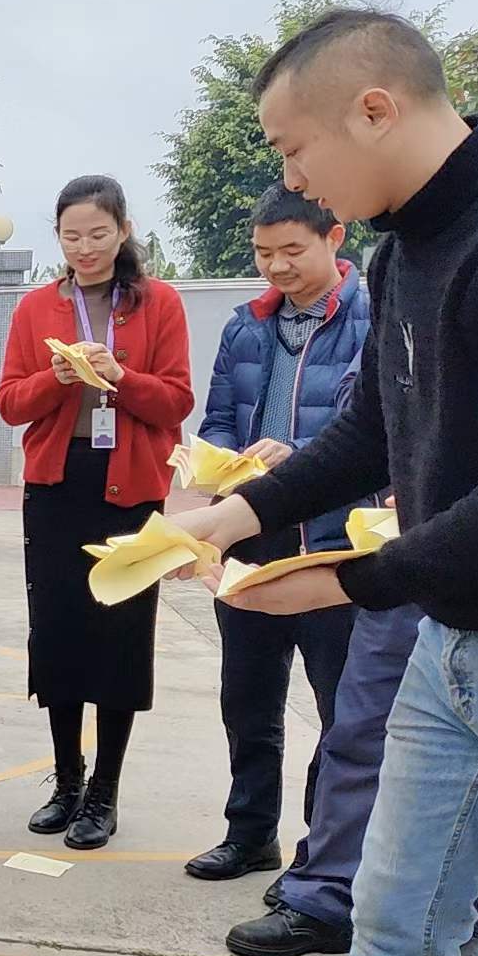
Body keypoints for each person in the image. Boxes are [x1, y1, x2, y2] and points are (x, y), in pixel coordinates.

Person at [168, 9, 478, 956]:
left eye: (292, 147)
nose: (293, 179)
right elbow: (369, 431)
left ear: (375, 109)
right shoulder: (405, 253)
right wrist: (228, 519)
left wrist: (353, 578)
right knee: (394, 925)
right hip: (448, 647)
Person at [0, 175, 193, 851]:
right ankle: (65, 781)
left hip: (130, 488)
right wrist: (56, 377)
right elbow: (9, 404)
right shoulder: (36, 308)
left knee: (120, 638)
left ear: (124, 231)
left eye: (98, 234)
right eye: (71, 235)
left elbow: (176, 402)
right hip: (57, 485)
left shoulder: (159, 302)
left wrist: (120, 377)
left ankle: (104, 791)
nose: (85, 248)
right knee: (58, 634)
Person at [185, 184, 372, 883]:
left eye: (292, 250)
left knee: (342, 711)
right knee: (248, 698)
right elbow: (218, 418)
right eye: (264, 253)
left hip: (334, 543)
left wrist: (297, 454)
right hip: (251, 539)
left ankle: (323, 855)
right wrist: (218, 460)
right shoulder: (246, 326)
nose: (277, 266)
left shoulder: (372, 318)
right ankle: (249, 834)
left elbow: (374, 435)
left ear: (335, 238)